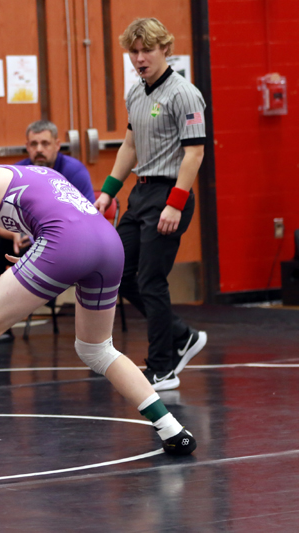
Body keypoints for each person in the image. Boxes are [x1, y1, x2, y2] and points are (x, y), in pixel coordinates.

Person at [0, 139, 197, 468]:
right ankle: (173, 430)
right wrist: (36, 254)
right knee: (97, 349)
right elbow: (63, 216)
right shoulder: (38, 173)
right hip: (108, 244)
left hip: (64, 246)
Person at [94, 18, 207, 391]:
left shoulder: (184, 94)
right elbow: (129, 146)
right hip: (140, 194)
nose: (140, 58)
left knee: (151, 281)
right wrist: (109, 191)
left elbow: (194, 153)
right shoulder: (136, 92)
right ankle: (181, 335)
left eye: (147, 50)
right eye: (134, 52)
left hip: (169, 193)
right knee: (120, 273)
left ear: (165, 49)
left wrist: (175, 204)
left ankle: (163, 368)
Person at [0, 120, 97, 341]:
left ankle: (38, 295)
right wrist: (13, 234)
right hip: (27, 239)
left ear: (57, 145)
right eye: (34, 144)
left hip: (66, 243)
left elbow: (89, 218)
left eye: (45, 143)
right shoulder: (17, 172)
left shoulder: (74, 171)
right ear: (27, 146)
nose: (39, 149)